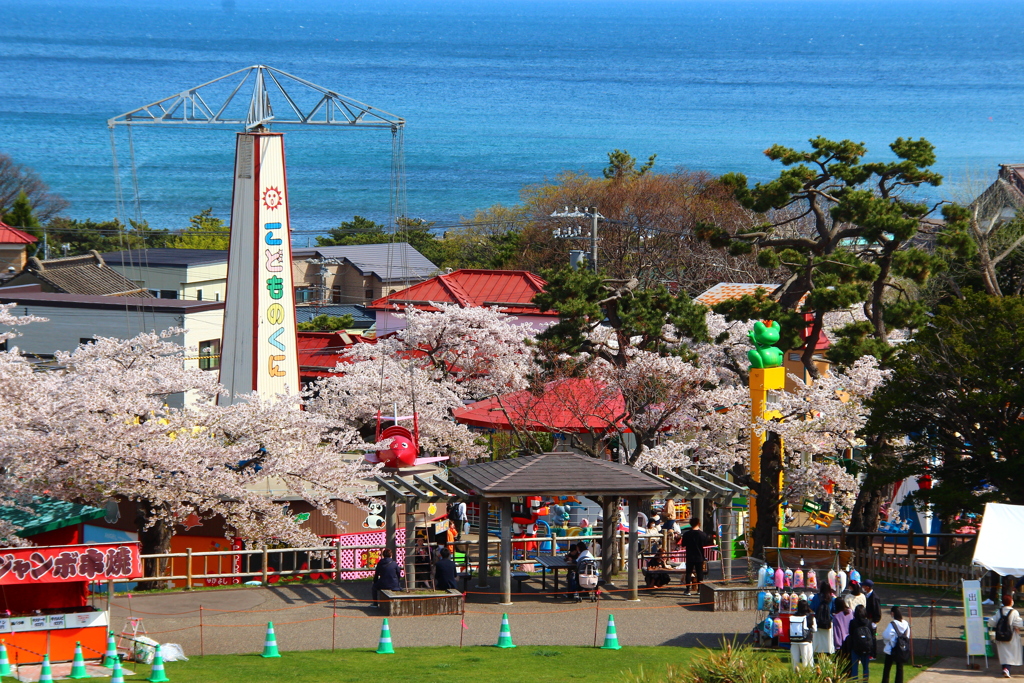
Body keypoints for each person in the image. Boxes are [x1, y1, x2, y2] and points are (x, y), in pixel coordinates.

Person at [994, 594, 1022, 677]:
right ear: (1011, 602)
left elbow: (992, 621)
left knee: (1003, 654)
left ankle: (1005, 669)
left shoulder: (999, 611)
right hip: (1011, 636)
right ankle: (1007, 669)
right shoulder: (1014, 612)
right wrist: (1017, 627)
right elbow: (1019, 623)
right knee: (1011, 654)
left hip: (1000, 636)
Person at [881, 605, 910, 683]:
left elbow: (885, 635)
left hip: (892, 649)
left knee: (887, 668)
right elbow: (907, 636)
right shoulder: (906, 624)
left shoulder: (892, 624)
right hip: (902, 649)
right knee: (900, 668)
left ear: (893, 613)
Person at [681, 518, 710, 595]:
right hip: (699, 555)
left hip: (689, 555)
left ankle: (687, 590)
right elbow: (706, 544)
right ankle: (699, 590)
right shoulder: (703, 534)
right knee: (699, 573)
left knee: (688, 573)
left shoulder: (686, 534)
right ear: (698, 523)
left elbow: (683, 544)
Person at [847, 604, 873, 682]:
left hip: (855, 647)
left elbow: (850, 633)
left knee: (854, 668)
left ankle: (855, 681)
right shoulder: (868, 622)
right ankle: (865, 681)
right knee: (865, 668)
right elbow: (871, 634)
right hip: (866, 647)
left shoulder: (853, 622)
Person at [789, 598, 817, 669]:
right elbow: (814, 629)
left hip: (794, 641)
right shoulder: (809, 617)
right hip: (805, 641)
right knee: (807, 661)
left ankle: (795, 675)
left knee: (795, 662)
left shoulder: (793, 617)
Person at [809, 583, 836, 655]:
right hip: (829, 622)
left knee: (819, 639)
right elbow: (834, 609)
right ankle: (828, 653)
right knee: (828, 639)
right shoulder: (832, 598)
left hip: (818, 621)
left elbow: (812, 608)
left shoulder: (816, 597)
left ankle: (819, 653)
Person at [863, 579, 882, 657]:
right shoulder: (867, 595)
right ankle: (869, 652)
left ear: (867, 587)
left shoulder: (874, 597)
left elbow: (877, 611)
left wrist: (875, 622)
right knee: (868, 636)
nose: (862, 587)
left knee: (873, 637)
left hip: (872, 620)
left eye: (863, 586)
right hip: (868, 619)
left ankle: (873, 654)